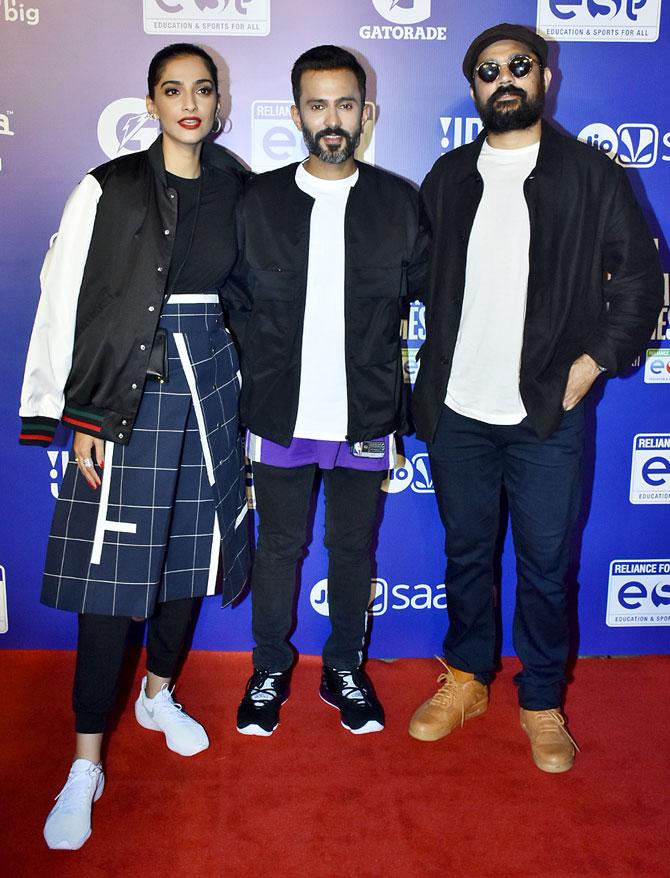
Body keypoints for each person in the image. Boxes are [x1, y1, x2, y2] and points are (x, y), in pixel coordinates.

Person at [408, 23, 663, 771]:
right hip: (458, 409)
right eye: (488, 71)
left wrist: (591, 365)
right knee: (466, 555)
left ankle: (542, 700)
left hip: (546, 412)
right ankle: (467, 678)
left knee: (547, 567)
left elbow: (640, 283)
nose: (505, 79)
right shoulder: (447, 177)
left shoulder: (591, 175)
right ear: (474, 87)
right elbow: (409, 274)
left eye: (519, 65)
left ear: (544, 78)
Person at [19, 43, 249, 848]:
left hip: (212, 382)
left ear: (218, 101)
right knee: (110, 582)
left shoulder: (238, 186)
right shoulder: (108, 186)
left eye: (202, 89)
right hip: (128, 389)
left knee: (191, 558)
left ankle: (157, 694)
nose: (189, 103)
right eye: (172, 89)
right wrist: (74, 411)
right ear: (150, 102)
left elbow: (258, 294)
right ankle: (85, 761)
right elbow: (62, 295)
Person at [226, 45, 425, 737]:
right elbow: (230, 302)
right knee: (279, 548)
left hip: (365, 414)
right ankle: (268, 669)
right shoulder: (257, 202)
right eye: (318, 105)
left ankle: (344, 667)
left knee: (352, 549)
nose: (332, 119)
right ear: (295, 114)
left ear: (367, 113)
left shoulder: (399, 202)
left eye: (345, 104)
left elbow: (441, 294)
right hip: (280, 413)